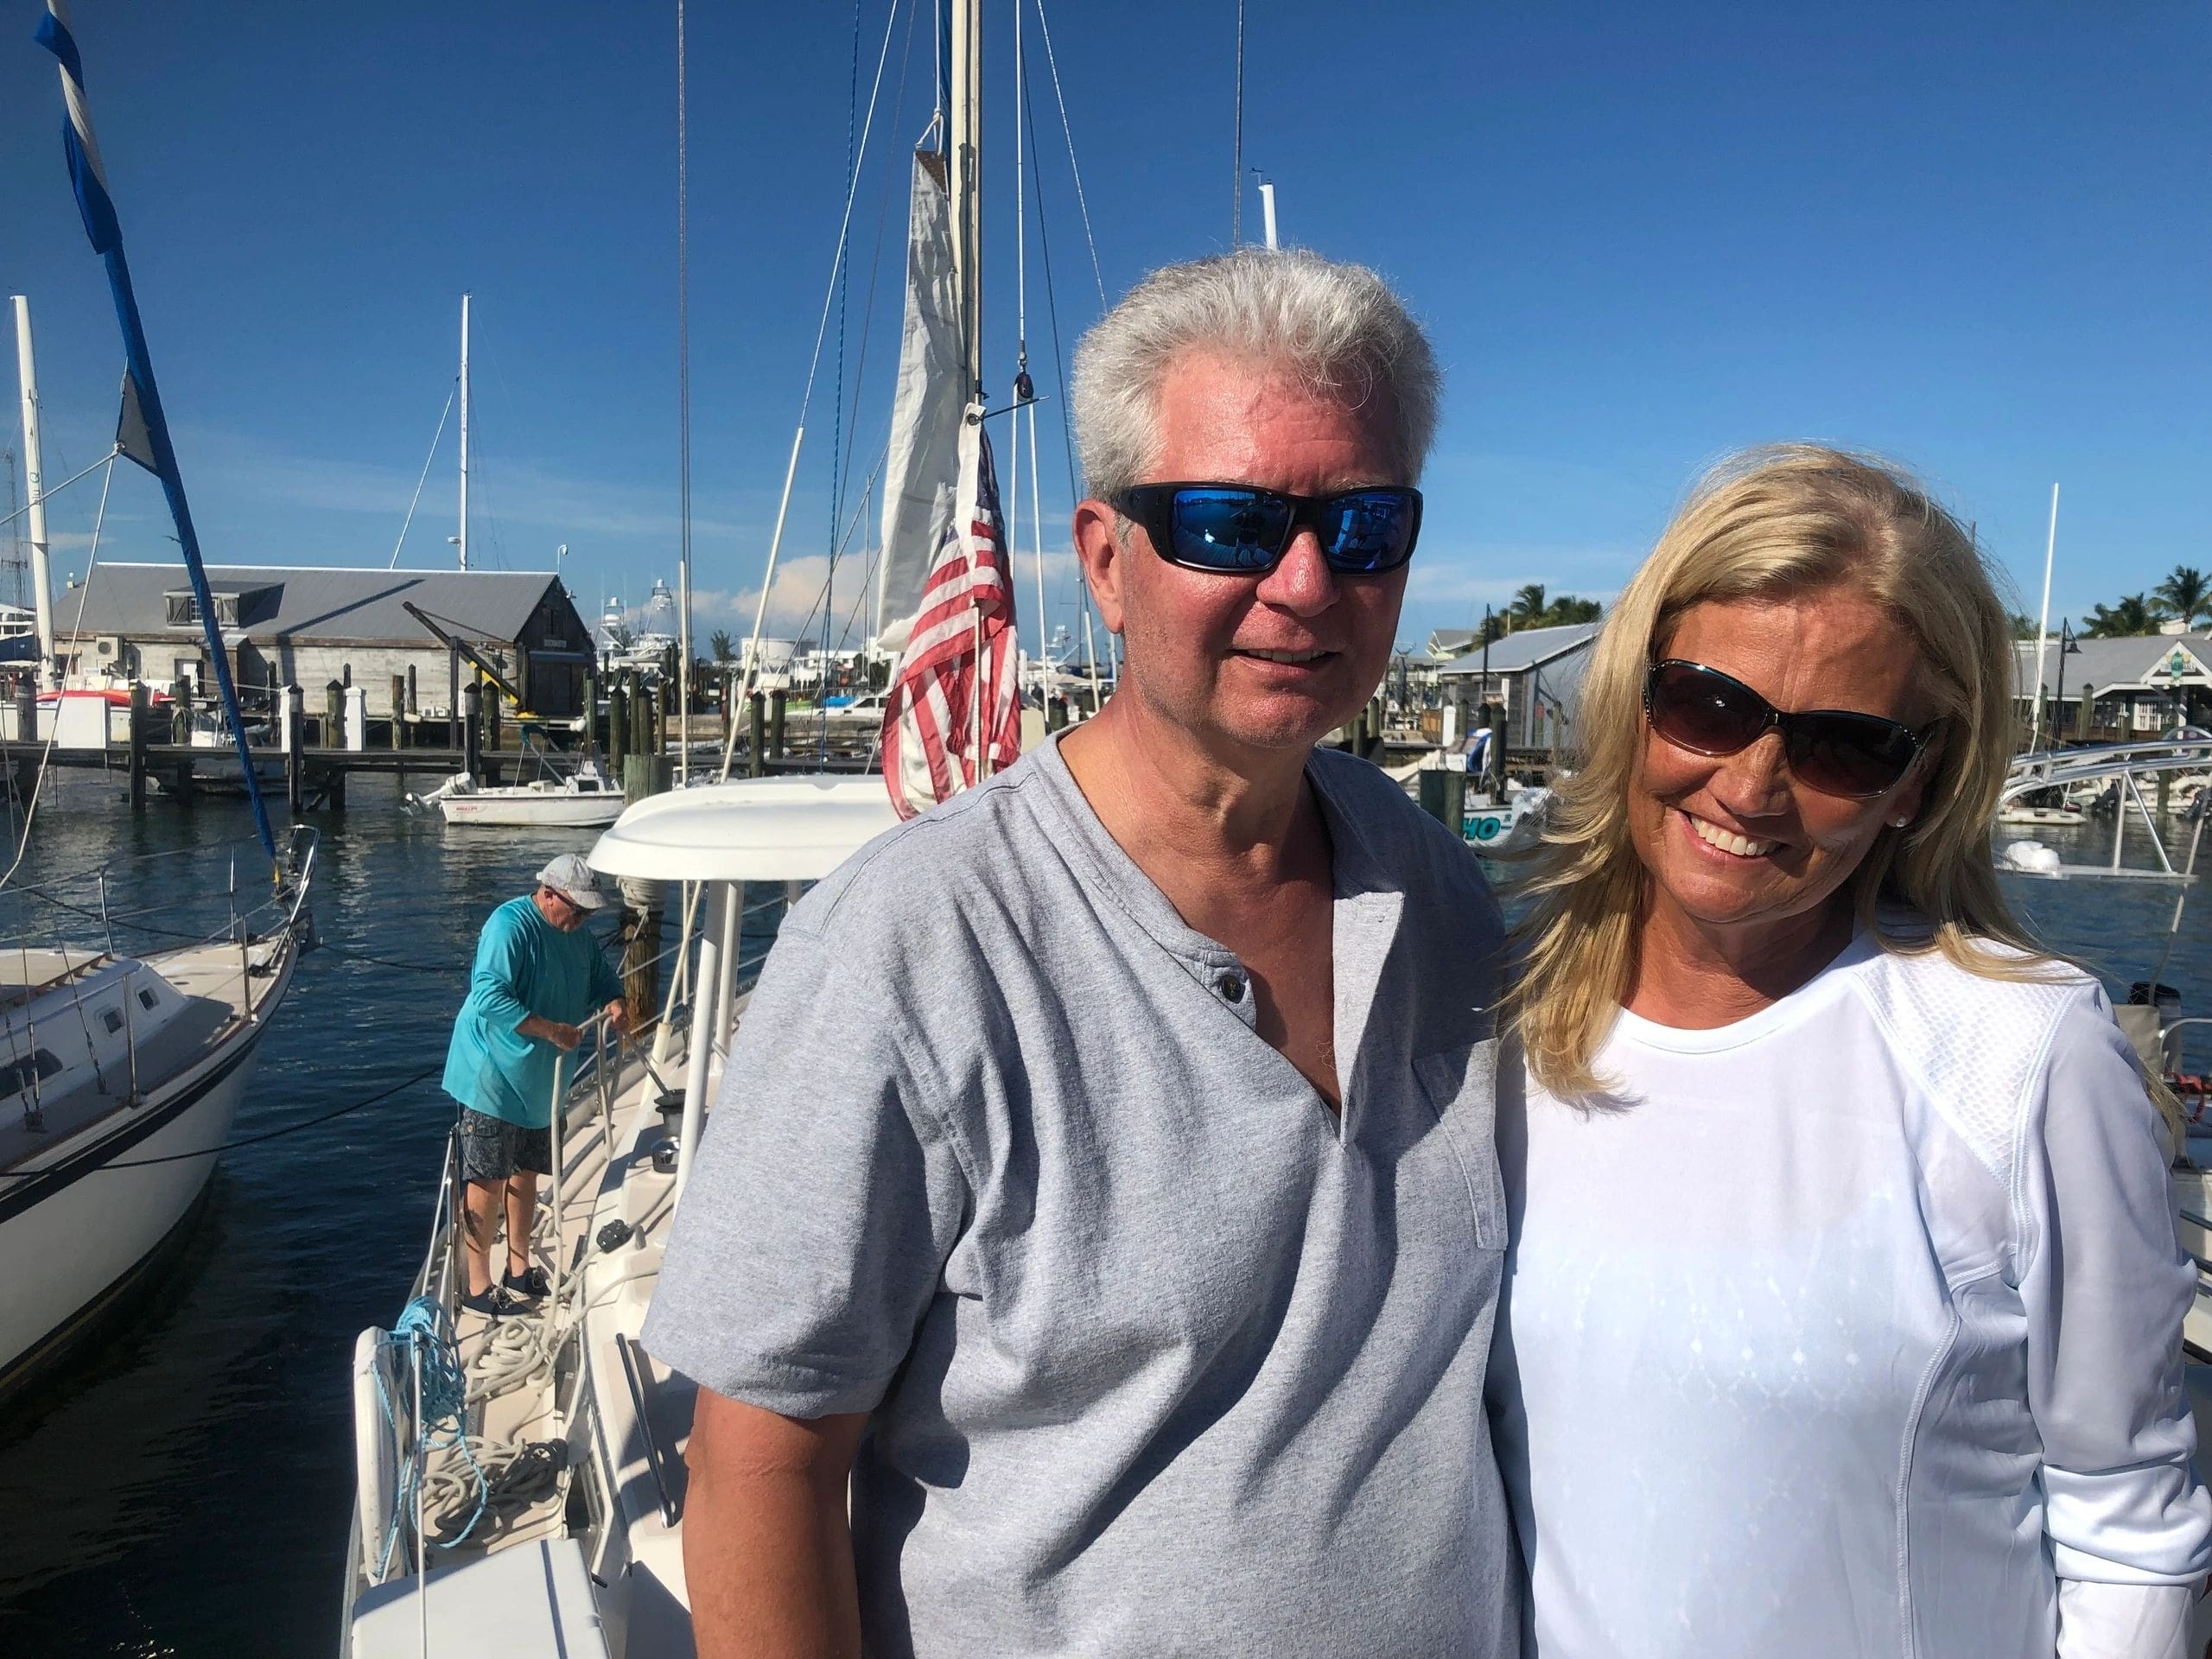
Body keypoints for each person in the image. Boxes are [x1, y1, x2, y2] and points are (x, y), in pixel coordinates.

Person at [644, 248, 1518, 1657]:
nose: (1306, 582)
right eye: (1232, 524)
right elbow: (760, 1466)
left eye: (1364, 527)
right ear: (1108, 562)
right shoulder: (909, 947)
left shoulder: (1435, 885)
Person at [1491, 445, 2212, 1657]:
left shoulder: (2024, 1054)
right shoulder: (1506, 1031)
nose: (1754, 785)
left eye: (1842, 746)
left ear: (1917, 783)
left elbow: (2129, 1524)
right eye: (1708, 706)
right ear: (1636, 697)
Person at [441, 852, 627, 1318]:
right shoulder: (510, 926)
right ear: (547, 894)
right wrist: (550, 1030)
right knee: (487, 1178)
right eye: (576, 909)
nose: (582, 919)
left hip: (540, 1082)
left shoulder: (577, 935)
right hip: (493, 1074)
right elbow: (487, 995)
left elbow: (602, 978)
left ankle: (519, 1269)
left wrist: (617, 1000)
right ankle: (479, 1287)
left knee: (527, 1171)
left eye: (588, 913)